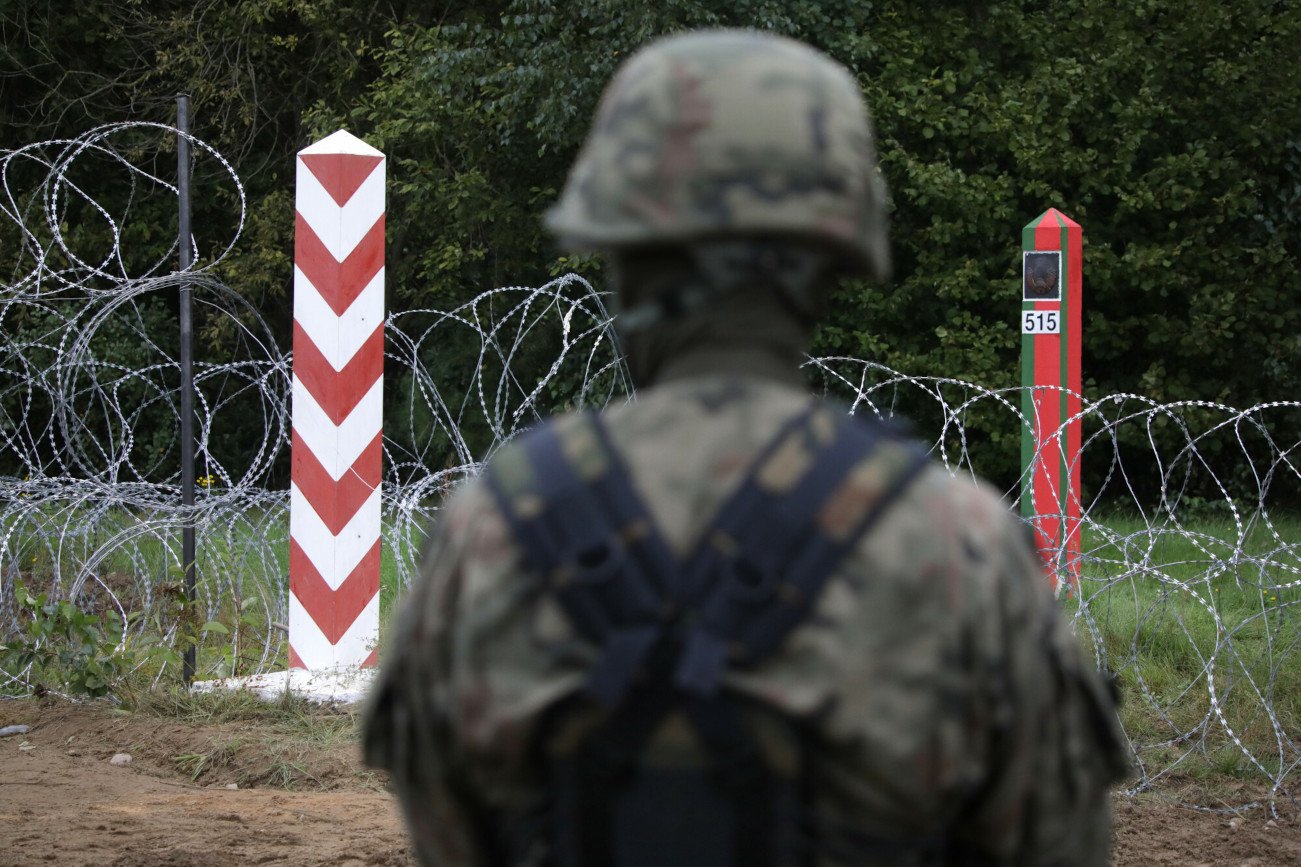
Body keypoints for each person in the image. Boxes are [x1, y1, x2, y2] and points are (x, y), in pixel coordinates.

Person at [363, 28, 1130, 866]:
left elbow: (449, 830)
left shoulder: (491, 528)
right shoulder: (957, 541)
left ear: (621, 250)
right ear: (834, 257)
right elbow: (1055, 842)